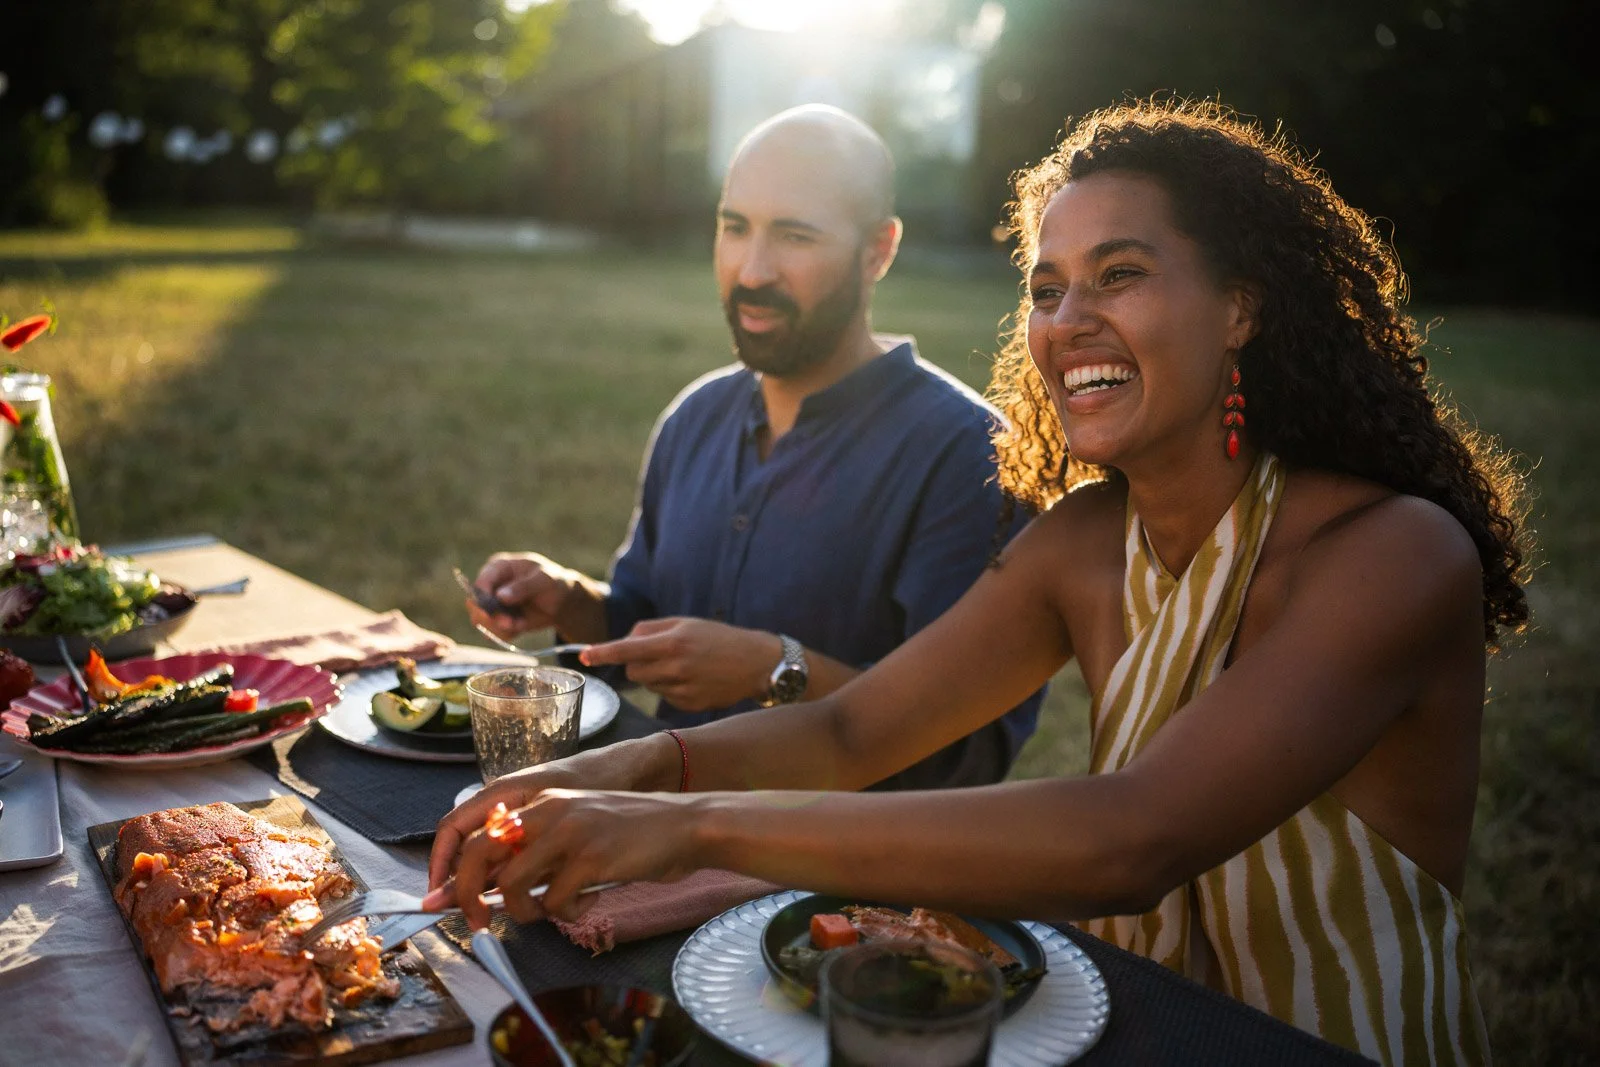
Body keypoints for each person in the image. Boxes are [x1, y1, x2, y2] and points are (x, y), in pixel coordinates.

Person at [430, 100, 1526, 1065]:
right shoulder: (1085, 541)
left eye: (1122, 274)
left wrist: (692, 824)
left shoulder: (1396, 553)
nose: (1066, 323)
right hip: (1122, 1028)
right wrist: (618, 769)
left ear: (1239, 306)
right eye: (1047, 289)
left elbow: (1129, 837)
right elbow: (854, 732)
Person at [466, 104, 1042, 790]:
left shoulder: (969, 457)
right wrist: (569, 600)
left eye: (795, 235)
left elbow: (964, 756)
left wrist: (776, 668)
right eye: (734, 227)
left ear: (878, 250)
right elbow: (639, 623)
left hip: (837, 878)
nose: (752, 269)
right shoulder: (695, 416)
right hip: (654, 828)